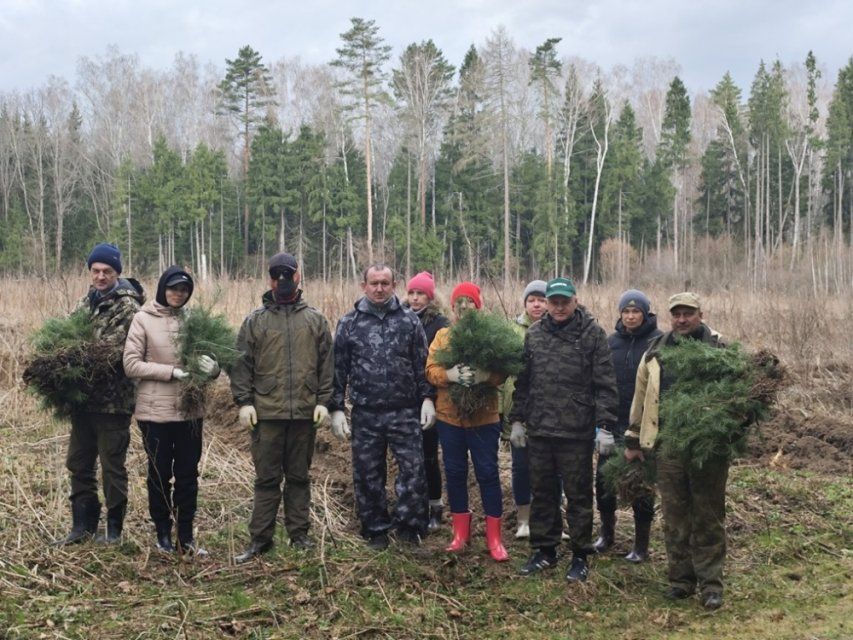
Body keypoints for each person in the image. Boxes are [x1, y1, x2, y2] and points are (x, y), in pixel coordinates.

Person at [509, 277, 618, 582]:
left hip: (576, 431)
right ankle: (545, 550)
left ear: (574, 301)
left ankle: (581, 555)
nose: (557, 307)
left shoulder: (593, 334)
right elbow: (524, 381)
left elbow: (606, 385)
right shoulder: (534, 334)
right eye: (553, 302)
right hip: (540, 429)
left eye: (563, 302)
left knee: (578, 495)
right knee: (542, 493)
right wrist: (517, 419)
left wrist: (605, 426)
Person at [624, 292, 727, 609]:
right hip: (667, 447)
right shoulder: (656, 352)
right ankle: (681, 581)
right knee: (674, 517)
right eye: (677, 314)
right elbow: (640, 397)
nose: (682, 320)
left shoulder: (719, 349)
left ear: (700, 313)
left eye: (688, 314)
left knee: (708, 515)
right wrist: (633, 439)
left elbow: (738, 398)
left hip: (708, 449)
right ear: (670, 316)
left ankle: (711, 585)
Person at [230, 252, 334, 563]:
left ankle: (299, 535)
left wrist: (324, 402)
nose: (283, 281)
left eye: (288, 274)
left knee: (300, 477)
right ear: (270, 280)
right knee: (266, 479)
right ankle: (261, 539)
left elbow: (327, 364)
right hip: (267, 415)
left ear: (298, 276)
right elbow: (241, 365)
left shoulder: (315, 320)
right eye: (277, 275)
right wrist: (244, 403)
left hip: (304, 413)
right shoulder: (254, 322)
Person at [329, 264, 435, 550]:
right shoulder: (349, 322)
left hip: (404, 411)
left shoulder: (409, 321)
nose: (379, 288)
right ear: (364, 285)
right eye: (374, 283)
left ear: (394, 284)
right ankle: (375, 528)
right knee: (367, 473)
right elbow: (338, 369)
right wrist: (336, 407)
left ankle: (410, 528)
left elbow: (421, 363)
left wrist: (427, 398)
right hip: (366, 413)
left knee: (413, 471)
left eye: (385, 283)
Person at [123, 266, 220, 554]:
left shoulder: (195, 321)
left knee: (188, 475)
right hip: (155, 414)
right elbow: (130, 364)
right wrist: (170, 372)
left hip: (190, 412)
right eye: (173, 288)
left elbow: (212, 356)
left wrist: (214, 369)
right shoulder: (143, 319)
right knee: (159, 473)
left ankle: (186, 537)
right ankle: (163, 534)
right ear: (162, 288)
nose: (178, 294)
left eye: (184, 290)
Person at [58, 242, 144, 545]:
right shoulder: (86, 301)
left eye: (107, 271)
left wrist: (75, 356)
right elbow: (66, 335)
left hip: (112, 403)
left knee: (112, 467)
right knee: (78, 463)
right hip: (83, 402)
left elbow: (111, 352)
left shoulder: (128, 307)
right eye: (95, 271)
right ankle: (82, 527)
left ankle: (114, 530)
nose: (100, 276)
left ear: (117, 273)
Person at [425, 282, 510, 562]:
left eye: (469, 302)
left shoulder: (490, 336)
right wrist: (449, 375)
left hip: (484, 418)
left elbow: (503, 370)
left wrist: (486, 376)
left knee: (487, 473)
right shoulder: (443, 336)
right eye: (458, 302)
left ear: (478, 305)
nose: (463, 307)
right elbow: (431, 370)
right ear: (452, 307)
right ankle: (460, 534)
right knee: (455, 472)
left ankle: (494, 538)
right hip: (449, 418)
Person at [593, 289, 662, 561]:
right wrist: (601, 424)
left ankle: (641, 545)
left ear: (646, 314)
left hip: (645, 425)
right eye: (626, 311)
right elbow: (599, 384)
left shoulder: (658, 342)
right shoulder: (611, 343)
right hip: (612, 422)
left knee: (641, 484)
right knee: (604, 479)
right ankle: (606, 534)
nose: (631, 316)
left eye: (636, 312)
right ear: (620, 314)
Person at [500, 280, 547, 539]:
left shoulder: (558, 328)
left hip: (550, 414)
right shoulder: (511, 330)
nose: (537, 304)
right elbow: (501, 374)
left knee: (552, 469)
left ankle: (549, 517)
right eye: (532, 300)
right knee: (520, 468)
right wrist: (500, 411)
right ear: (525, 303)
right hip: (517, 411)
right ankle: (523, 520)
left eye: (541, 299)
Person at [404, 271, 450, 532]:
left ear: (430, 297)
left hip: (431, 400)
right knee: (409, 457)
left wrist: (430, 398)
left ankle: (435, 506)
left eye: (420, 293)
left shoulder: (440, 325)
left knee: (429, 455)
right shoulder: (399, 318)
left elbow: (440, 364)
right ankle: (413, 504)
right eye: (411, 293)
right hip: (404, 399)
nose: (415, 298)